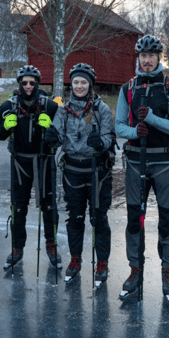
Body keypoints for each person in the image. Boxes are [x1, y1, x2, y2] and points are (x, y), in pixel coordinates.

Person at [114, 35, 169, 300]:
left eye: (151, 55)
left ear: (158, 57)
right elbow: (119, 126)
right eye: (142, 56)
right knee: (135, 220)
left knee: (167, 218)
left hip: (164, 163)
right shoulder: (128, 89)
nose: (146, 60)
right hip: (135, 163)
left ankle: (168, 271)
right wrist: (135, 132)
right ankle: (135, 269)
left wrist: (153, 120)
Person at [44, 63, 115, 287]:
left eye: (84, 82)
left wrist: (101, 143)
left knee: (98, 218)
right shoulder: (63, 109)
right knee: (75, 218)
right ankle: (75, 259)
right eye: (76, 82)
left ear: (90, 84)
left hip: (97, 172)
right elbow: (57, 136)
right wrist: (52, 137)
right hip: (73, 171)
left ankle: (102, 262)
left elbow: (110, 137)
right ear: (71, 84)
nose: (79, 86)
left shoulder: (101, 109)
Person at [0, 65, 60, 270]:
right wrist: (4, 127)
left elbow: (60, 139)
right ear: (19, 84)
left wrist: (50, 128)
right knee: (18, 207)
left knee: (49, 207)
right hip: (19, 163)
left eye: (32, 82)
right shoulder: (8, 106)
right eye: (24, 83)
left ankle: (51, 244)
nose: (28, 86)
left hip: (44, 161)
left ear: (38, 83)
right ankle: (17, 248)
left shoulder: (50, 106)